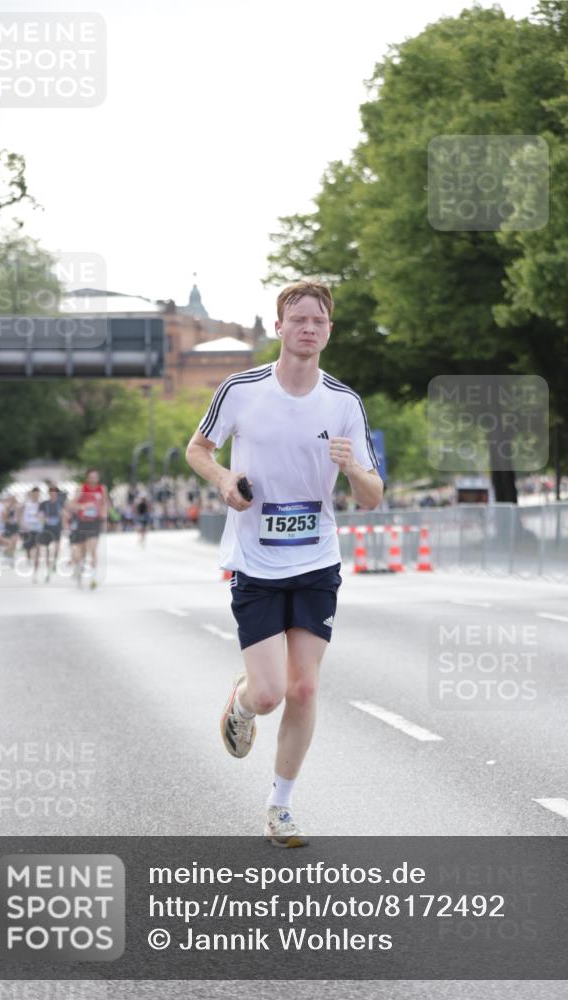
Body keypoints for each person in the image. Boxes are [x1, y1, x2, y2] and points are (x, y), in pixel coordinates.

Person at [186, 280, 383, 847]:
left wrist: (353, 470)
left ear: (328, 331)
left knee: (303, 691)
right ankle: (243, 703)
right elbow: (198, 449)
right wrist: (225, 480)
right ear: (278, 328)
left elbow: (371, 496)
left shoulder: (344, 403)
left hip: (317, 560)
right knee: (270, 692)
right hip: (256, 561)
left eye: (318, 321)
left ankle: (280, 806)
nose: (308, 328)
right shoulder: (240, 390)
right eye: (297, 319)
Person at [72, 468, 108, 589]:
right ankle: (79, 572)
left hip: (95, 522)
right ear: (87, 477)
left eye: (96, 477)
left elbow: (105, 503)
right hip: (83, 522)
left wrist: (104, 516)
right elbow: (72, 504)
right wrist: (83, 506)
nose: (94, 479)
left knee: (93, 550)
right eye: (91, 477)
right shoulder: (81, 489)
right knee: (83, 551)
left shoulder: (102, 489)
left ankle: (93, 578)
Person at [39, 485, 63, 582]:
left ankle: (55, 562)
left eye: (54, 493)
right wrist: (43, 520)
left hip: (57, 528)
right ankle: (48, 569)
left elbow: (64, 514)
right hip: (47, 528)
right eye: (51, 492)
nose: (53, 494)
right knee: (47, 549)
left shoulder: (60, 503)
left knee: (57, 548)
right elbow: (40, 515)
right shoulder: (44, 504)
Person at [19, 487, 42, 583]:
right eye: (34, 494)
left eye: (38, 494)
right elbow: (20, 516)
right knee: (28, 550)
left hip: (38, 530)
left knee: (37, 551)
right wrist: (22, 525)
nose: (36, 496)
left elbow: (45, 516)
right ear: (32, 494)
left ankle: (35, 574)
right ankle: (29, 559)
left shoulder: (42, 505)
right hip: (27, 530)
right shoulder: (26, 505)